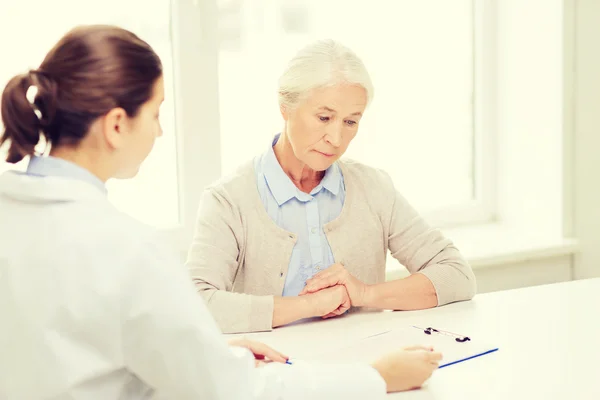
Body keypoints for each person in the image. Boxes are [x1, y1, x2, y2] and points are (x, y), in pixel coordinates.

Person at [0, 25, 442, 399]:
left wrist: (217, 354)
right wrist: (375, 378)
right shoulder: (127, 249)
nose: (158, 131)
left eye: (351, 121)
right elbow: (228, 392)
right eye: (155, 114)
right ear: (117, 125)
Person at [186, 39, 477, 334]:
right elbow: (196, 305)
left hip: (365, 367)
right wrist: (310, 306)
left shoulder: (373, 188)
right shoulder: (228, 200)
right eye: (324, 117)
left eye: (350, 122)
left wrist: (363, 294)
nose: (336, 139)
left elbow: (456, 274)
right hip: (276, 374)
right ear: (285, 107)